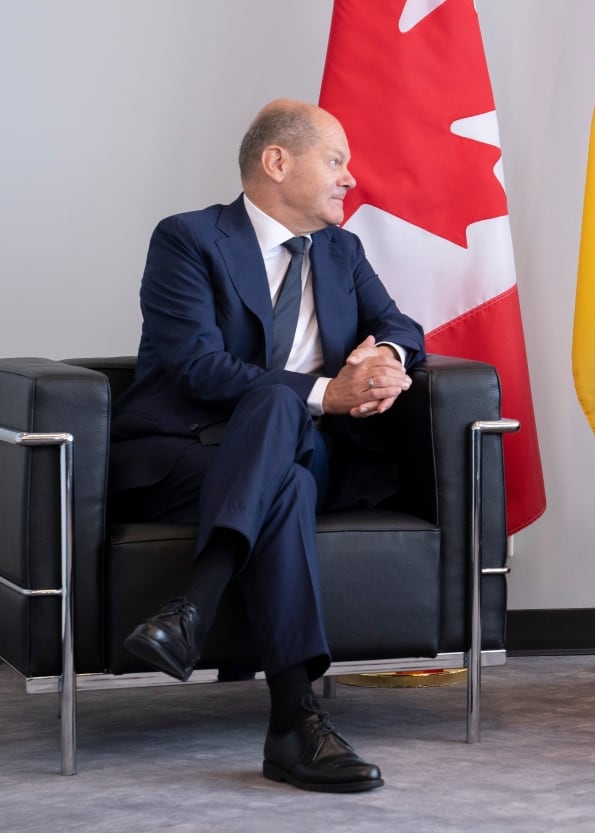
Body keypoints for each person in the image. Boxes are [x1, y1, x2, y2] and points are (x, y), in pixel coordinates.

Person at [111, 99, 426, 793]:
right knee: (286, 476)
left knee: (286, 438)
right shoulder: (188, 240)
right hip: (187, 454)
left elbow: (400, 322)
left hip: (302, 447)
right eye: (336, 159)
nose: (351, 177)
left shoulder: (342, 251)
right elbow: (198, 364)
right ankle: (293, 722)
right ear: (277, 161)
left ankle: (193, 603)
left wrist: (389, 362)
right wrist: (322, 395)